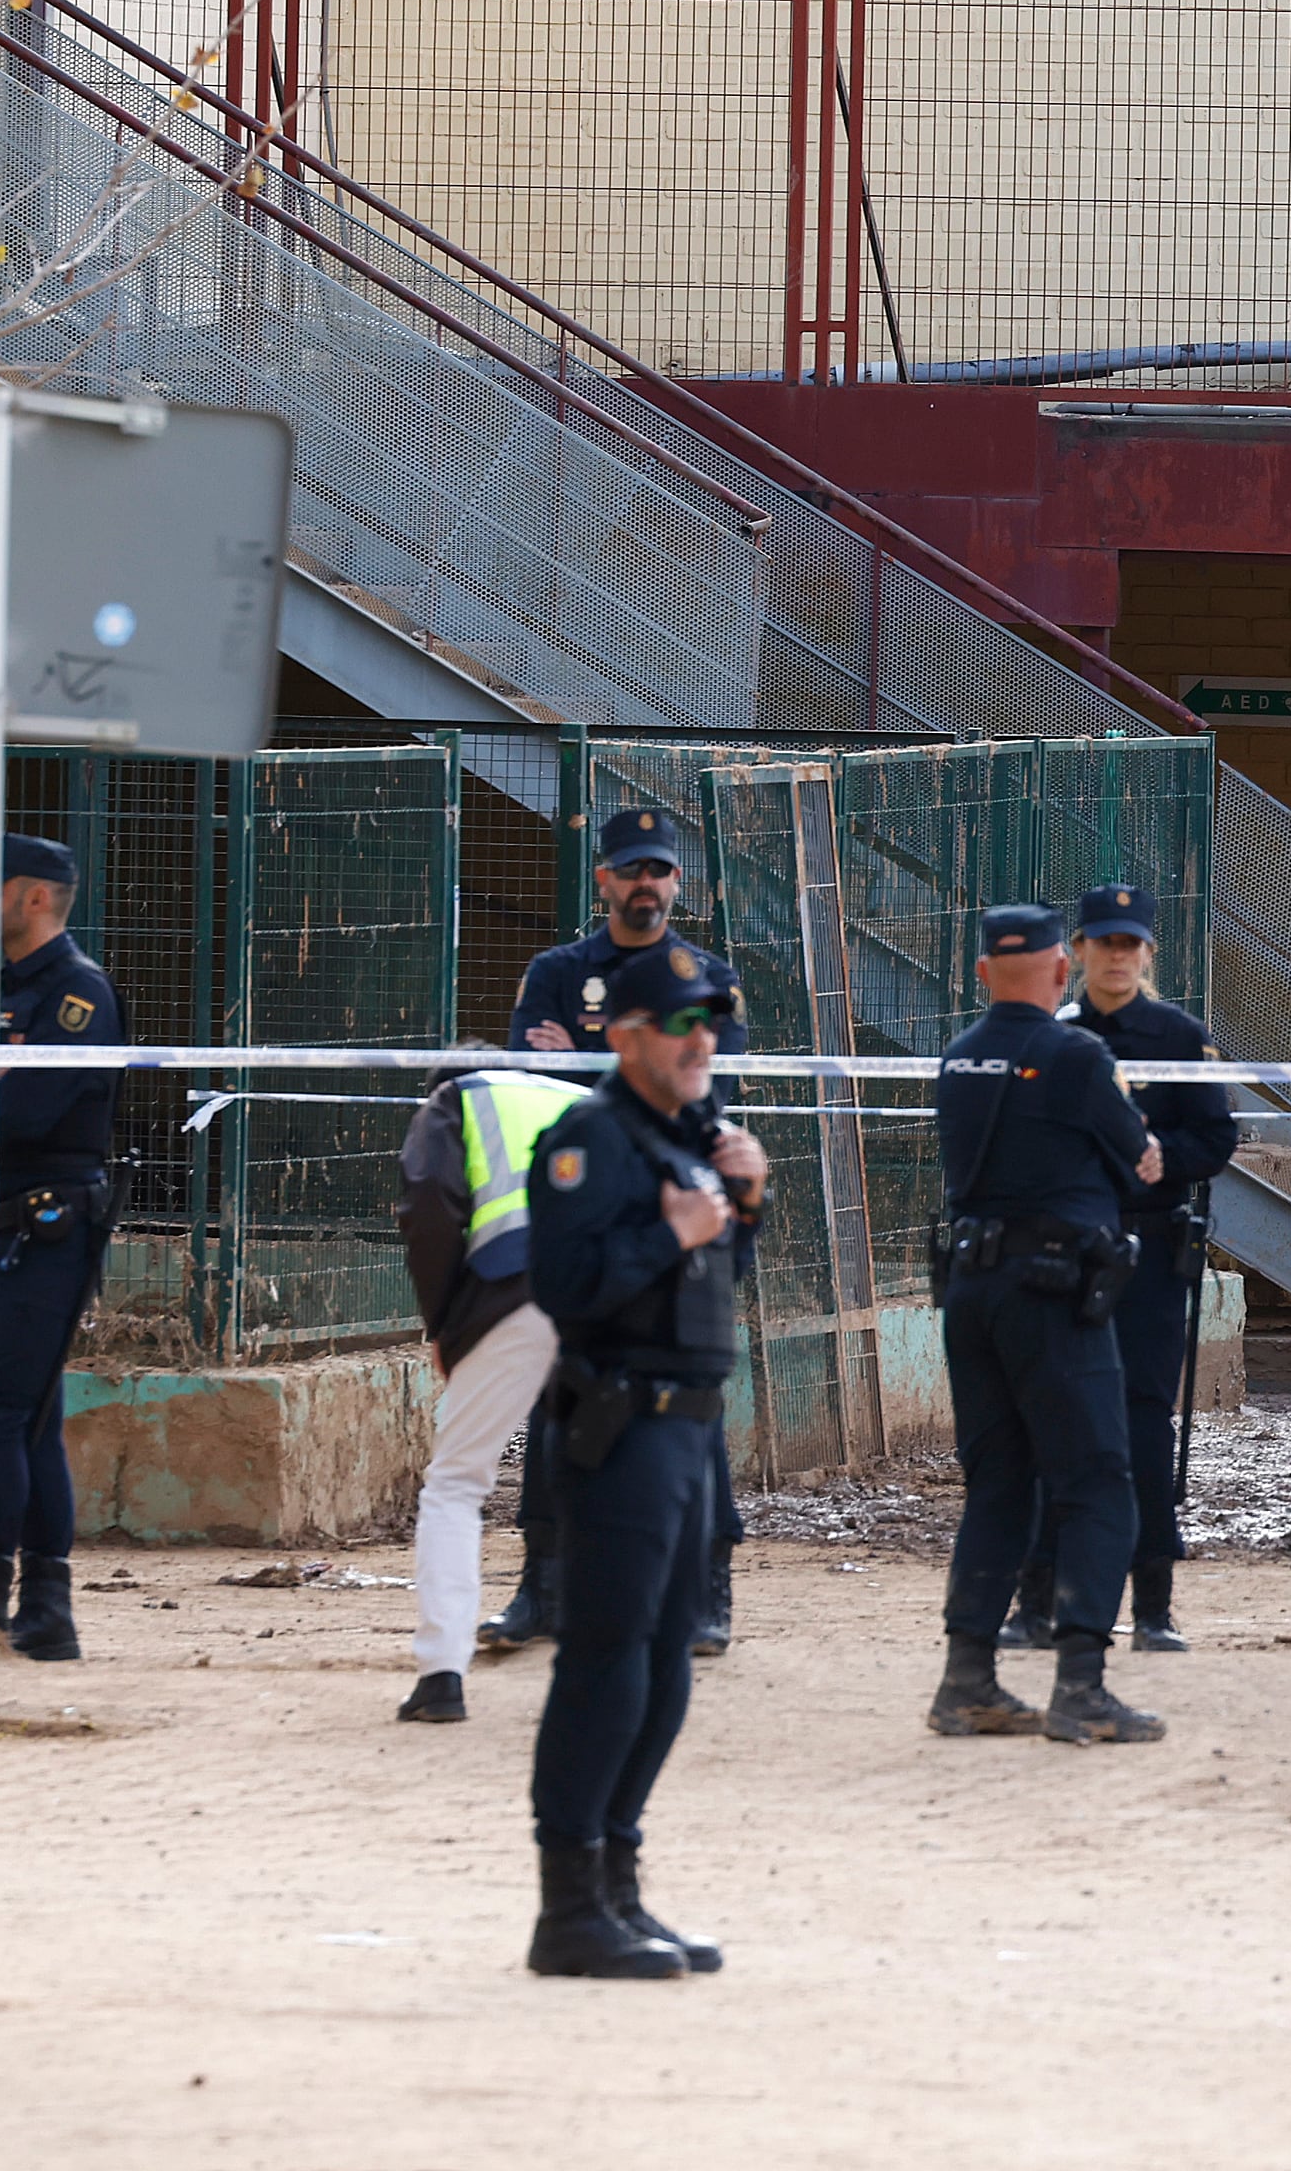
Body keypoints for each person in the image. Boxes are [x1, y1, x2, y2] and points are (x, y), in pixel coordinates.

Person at [518, 938, 766, 1979]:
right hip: (620, 1423)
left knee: (665, 1669)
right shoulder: (592, 1138)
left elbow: (715, 1275)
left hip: (691, 1426)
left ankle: (619, 1882)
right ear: (624, 1036)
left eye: (708, 1020)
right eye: (678, 1021)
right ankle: (568, 1907)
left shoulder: (687, 1139)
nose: (699, 1037)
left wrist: (737, 1208)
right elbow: (566, 1287)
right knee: (606, 1663)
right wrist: (672, 1234)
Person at [488, 805, 749, 1662]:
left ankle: (710, 1586)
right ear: (603, 879)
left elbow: (703, 1097)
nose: (647, 885)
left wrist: (586, 1056)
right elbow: (535, 1073)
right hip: (590, 1201)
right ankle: (542, 1582)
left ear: (679, 881)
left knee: (694, 1402)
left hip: (684, 1208)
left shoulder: (708, 976)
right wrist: (602, 1063)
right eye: (631, 870)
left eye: (660, 871)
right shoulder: (558, 968)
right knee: (560, 1392)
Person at [922, 904, 1171, 1749]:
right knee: (1098, 1480)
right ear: (1063, 972)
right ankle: (1081, 1687)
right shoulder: (1077, 1055)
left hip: (972, 1289)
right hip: (1052, 1292)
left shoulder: (958, 1058)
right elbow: (1135, 1154)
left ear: (984, 972)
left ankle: (967, 1680)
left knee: (999, 1483)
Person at [1055, 881, 1241, 1652]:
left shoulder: (1177, 1035)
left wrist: (1169, 1163)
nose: (1117, 957)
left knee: (1141, 1424)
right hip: (1063, 1252)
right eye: (1104, 944)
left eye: (1130, 945)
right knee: (1058, 1421)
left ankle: (1154, 1603)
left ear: (1147, 953)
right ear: (1079, 952)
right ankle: (1046, 1598)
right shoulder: (1054, 1035)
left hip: (1149, 1255)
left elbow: (1217, 1139)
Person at [393, 1061, 593, 1724]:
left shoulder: (453, 1101)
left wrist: (446, 1324)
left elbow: (429, 1205)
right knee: (625, 1474)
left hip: (519, 1288)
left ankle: (440, 1676)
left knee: (457, 1482)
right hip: (621, 1292)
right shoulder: (589, 1098)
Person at [0, 833, 124, 1661]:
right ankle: (45, 1610)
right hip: (2, 1222)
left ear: (33, 897)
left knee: (1, 1415)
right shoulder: (1, 987)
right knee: (26, 1419)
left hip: (46, 1228)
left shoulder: (77, 993)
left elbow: (18, 1114)